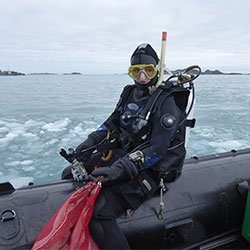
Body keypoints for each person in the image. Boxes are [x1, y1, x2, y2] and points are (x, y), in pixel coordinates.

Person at [62, 43, 189, 249]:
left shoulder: (167, 102)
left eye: (148, 71)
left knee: (100, 212)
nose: (141, 78)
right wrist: (91, 141)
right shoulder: (129, 93)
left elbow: (157, 150)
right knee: (69, 173)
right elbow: (112, 121)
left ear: (158, 70)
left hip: (151, 168)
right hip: (126, 155)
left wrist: (118, 170)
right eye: (135, 71)